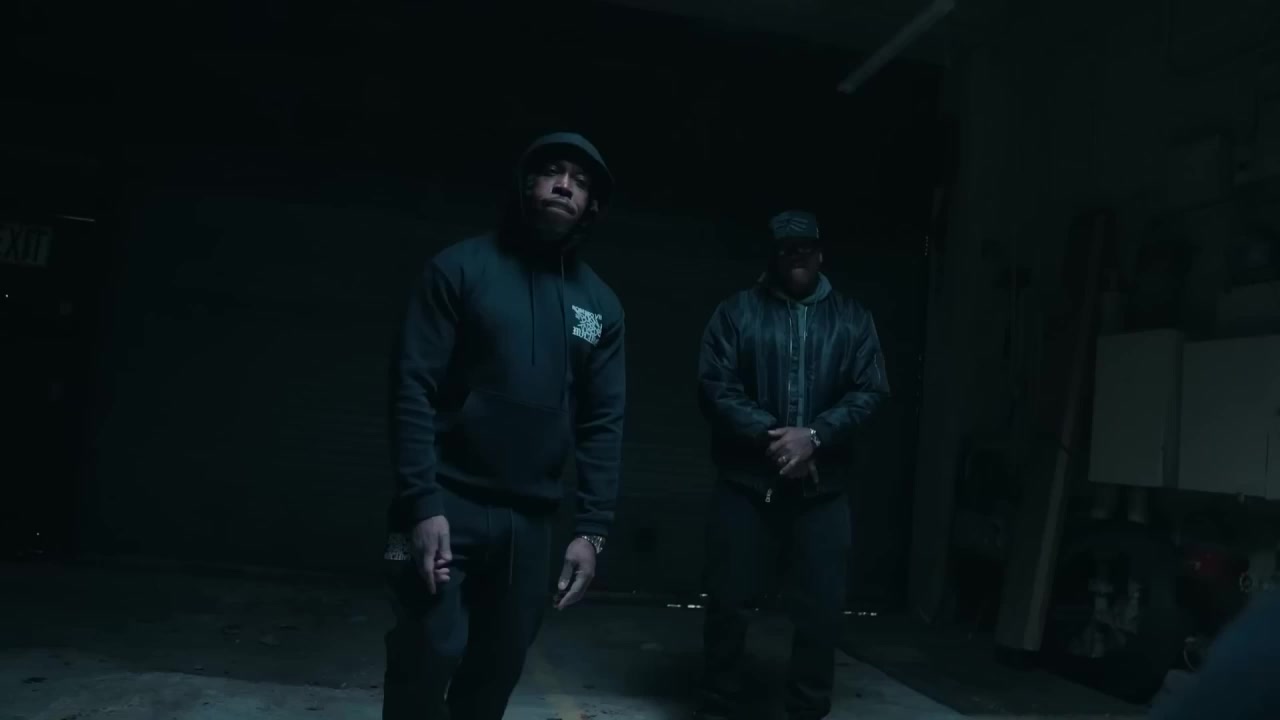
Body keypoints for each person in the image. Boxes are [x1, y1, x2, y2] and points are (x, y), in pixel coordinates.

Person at [381, 132, 626, 720]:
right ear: (526, 184)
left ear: (591, 205)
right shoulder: (460, 269)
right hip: (447, 504)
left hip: (530, 522)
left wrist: (592, 532)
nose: (564, 186)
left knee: (497, 668)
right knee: (427, 654)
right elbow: (412, 388)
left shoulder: (601, 307)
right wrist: (421, 504)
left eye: (580, 181)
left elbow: (603, 423)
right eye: (552, 172)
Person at [694, 210, 890, 720]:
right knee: (728, 604)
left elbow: (871, 390)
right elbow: (715, 386)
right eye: (786, 248)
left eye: (805, 246)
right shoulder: (737, 313)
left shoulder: (853, 319)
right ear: (775, 256)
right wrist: (777, 441)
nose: (796, 254)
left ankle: (807, 710)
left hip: (824, 492)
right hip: (745, 485)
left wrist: (816, 437)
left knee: (822, 610)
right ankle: (717, 707)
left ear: (820, 253)